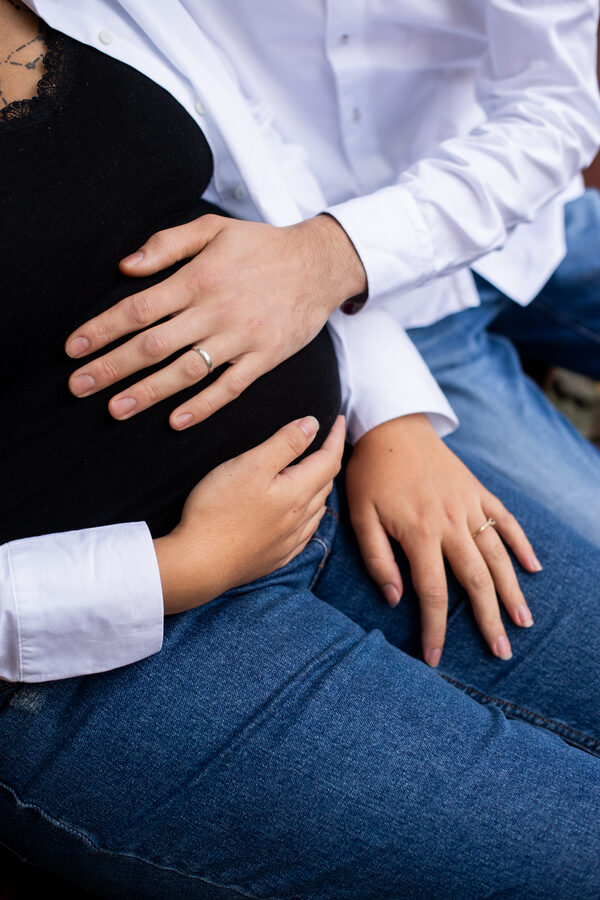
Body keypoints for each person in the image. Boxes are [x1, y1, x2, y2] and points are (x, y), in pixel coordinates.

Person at [1, 3, 599, 897]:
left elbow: (244, 201)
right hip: (114, 647)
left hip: (336, 481)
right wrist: (175, 568)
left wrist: (388, 413)